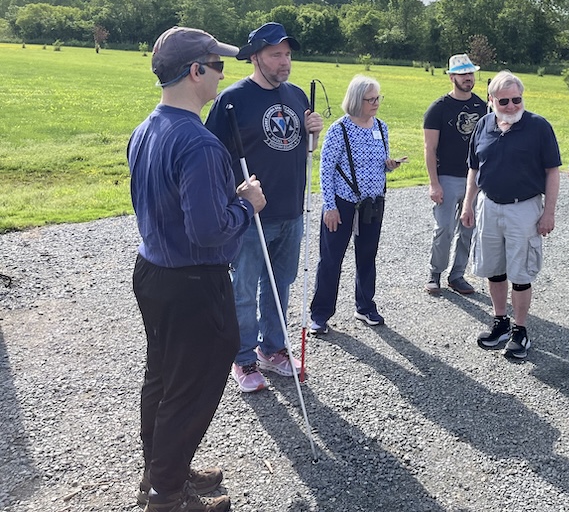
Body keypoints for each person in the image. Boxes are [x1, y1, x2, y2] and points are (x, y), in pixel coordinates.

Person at [129, 26, 266, 512]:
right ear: (195, 71)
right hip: (192, 282)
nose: (224, 75)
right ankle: (170, 496)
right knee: (190, 390)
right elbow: (210, 232)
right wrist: (247, 204)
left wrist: (221, 202)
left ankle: (163, 471)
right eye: (218, 65)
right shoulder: (201, 143)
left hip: (154, 272)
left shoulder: (146, 128)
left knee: (164, 381)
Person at [205, 22, 324, 393]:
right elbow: (212, 155)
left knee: (280, 285)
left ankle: (272, 348)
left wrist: (314, 135)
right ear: (256, 57)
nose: (284, 61)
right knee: (244, 288)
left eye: (287, 54)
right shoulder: (233, 99)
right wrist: (233, 196)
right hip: (252, 213)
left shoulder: (297, 97)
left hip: (292, 210)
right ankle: (242, 359)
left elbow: (301, 151)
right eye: (276, 54)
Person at [460, 70, 561, 359]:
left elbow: (552, 172)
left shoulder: (538, 127)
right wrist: (468, 204)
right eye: (504, 101)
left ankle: (520, 330)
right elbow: (474, 169)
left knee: (521, 271)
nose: (512, 106)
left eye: (517, 99)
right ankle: (500, 321)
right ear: (491, 100)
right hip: (489, 205)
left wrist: (548, 213)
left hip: (524, 208)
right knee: (494, 269)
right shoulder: (483, 125)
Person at [309, 75, 404, 332]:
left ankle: (365, 306)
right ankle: (320, 314)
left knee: (367, 255)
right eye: (370, 99)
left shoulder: (381, 127)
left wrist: (389, 166)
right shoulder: (339, 130)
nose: (376, 103)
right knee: (331, 258)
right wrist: (330, 206)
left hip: (372, 204)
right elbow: (326, 169)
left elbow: (378, 164)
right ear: (355, 99)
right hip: (343, 202)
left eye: (377, 98)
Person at [422, 53, 488, 295]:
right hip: (447, 177)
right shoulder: (438, 109)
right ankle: (435, 273)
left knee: (468, 228)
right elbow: (430, 148)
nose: (468, 78)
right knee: (444, 228)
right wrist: (434, 183)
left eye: (470, 73)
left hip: (475, 177)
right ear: (451, 77)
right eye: (462, 74)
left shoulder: (483, 107)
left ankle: (457, 275)